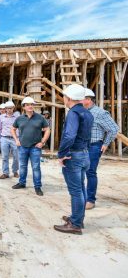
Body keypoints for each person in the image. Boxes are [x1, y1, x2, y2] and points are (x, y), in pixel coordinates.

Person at [54, 84, 93, 235]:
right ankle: (77, 218)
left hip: (74, 155)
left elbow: (70, 135)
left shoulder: (73, 113)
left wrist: (61, 154)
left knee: (76, 191)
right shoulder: (87, 112)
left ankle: (75, 224)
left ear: (68, 98)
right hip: (84, 153)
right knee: (81, 188)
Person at [82, 88, 119, 210]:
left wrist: (106, 143)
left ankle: (90, 200)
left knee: (90, 172)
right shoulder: (82, 111)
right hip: (82, 146)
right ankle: (83, 197)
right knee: (81, 172)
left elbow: (114, 129)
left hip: (94, 146)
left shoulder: (100, 113)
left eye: (81, 98)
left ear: (88, 99)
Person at [11, 97, 50, 196]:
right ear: (24, 107)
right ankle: (22, 183)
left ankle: (37, 187)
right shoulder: (19, 118)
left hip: (35, 147)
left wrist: (42, 142)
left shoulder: (40, 118)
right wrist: (16, 140)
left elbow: (47, 130)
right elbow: (12, 129)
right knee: (23, 166)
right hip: (22, 147)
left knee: (36, 167)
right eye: (28, 105)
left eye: (32, 104)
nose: (30, 106)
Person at [0, 101, 20, 179]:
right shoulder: (1, 117)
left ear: (13, 108)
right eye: (8, 108)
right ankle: (5, 172)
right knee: (4, 156)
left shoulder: (17, 117)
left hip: (14, 139)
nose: (9, 110)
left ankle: (15, 171)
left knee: (16, 156)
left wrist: (19, 139)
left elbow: (20, 128)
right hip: (4, 138)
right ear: (5, 109)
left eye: (11, 108)